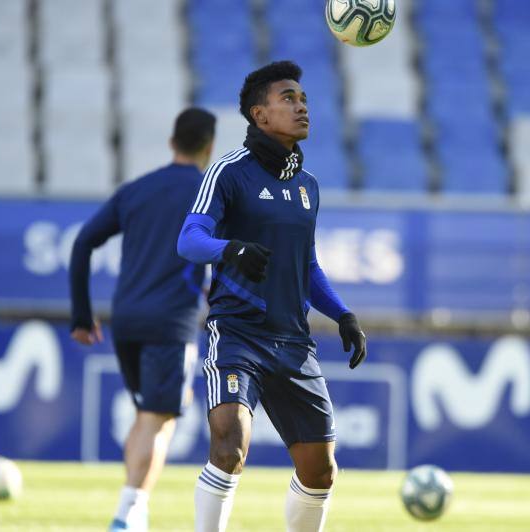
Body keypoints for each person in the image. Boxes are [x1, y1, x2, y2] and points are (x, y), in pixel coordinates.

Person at [177, 61, 367, 532]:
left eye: (304, 99)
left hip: (294, 342)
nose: (302, 106)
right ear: (260, 116)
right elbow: (189, 239)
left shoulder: (308, 186)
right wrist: (230, 249)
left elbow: (307, 266)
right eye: (289, 98)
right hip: (238, 334)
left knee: (320, 471)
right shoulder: (227, 173)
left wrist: (342, 314)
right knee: (229, 447)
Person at [69, 108, 216, 532]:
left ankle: (135, 508)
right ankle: (128, 514)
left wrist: (81, 313)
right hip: (171, 322)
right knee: (158, 418)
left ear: (172, 142)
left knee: (146, 414)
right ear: (208, 147)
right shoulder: (210, 191)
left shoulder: (136, 190)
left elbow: (83, 243)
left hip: (126, 320)